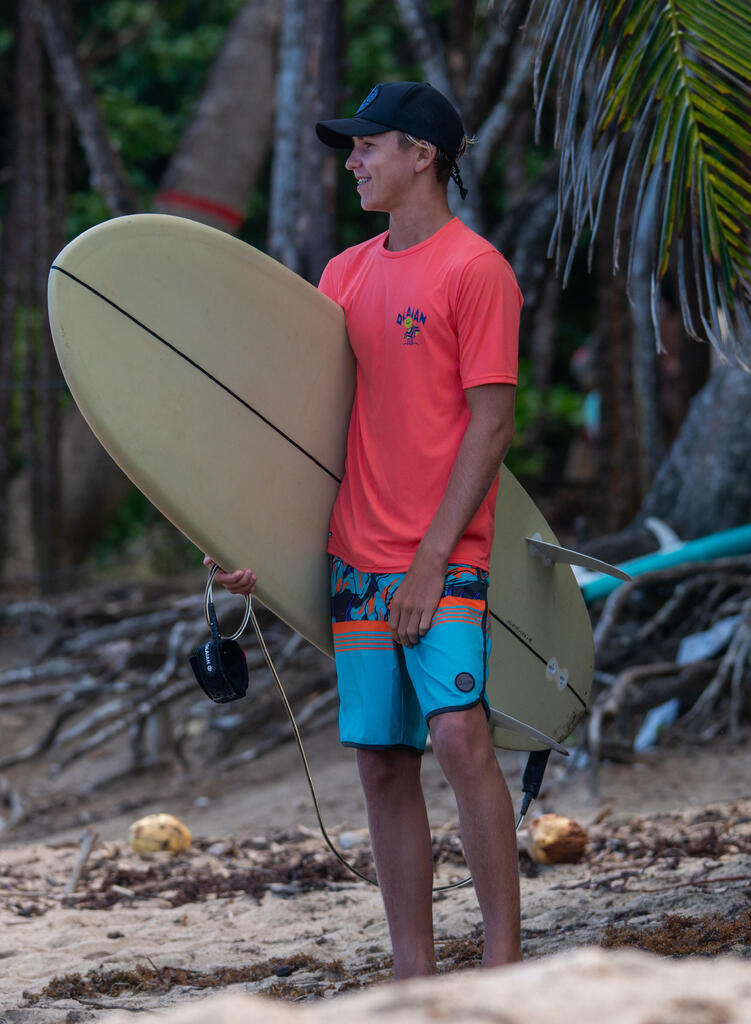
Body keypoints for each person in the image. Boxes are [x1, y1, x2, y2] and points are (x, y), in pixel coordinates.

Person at [209, 81, 523, 978]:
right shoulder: (344, 275)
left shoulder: (476, 271)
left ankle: (505, 970)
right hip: (355, 560)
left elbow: (492, 424)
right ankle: (412, 978)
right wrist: (239, 536)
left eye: (368, 145)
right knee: (384, 763)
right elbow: (305, 426)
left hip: (444, 556)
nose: (352, 161)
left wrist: (431, 561)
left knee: (461, 736)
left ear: (421, 155)